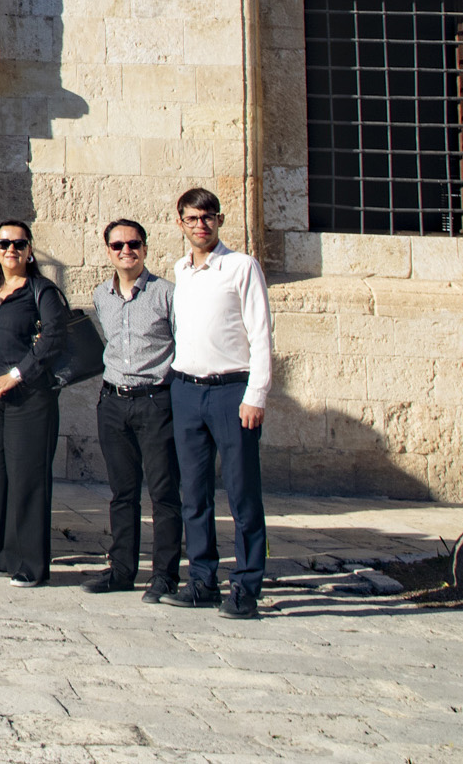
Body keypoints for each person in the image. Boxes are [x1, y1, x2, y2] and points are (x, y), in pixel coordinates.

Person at [164, 188, 275, 620]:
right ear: (180, 223)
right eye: (192, 218)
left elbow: (261, 333)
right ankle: (202, 581)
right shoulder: (181, 271)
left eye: (208, 217)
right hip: (187, 391)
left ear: (219, 221)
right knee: (194, 494)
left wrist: (257, 394)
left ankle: (247, 585)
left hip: (232, 392)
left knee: (243, 494)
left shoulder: (241, 267)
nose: (200, 225)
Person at [0, 219, 69, 586]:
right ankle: (4, 553)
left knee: (27, 479)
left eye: (19, 245)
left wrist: (14, 376)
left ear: (29, 250)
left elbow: (53, 341)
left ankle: (32, 563)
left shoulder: (43, 293)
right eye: (4, 244)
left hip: (28, 399)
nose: (11, 250)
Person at [86, 216, 182, 602]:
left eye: (133, 244)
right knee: (122, 492)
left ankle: (165, 576)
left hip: (155, 402)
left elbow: (183, 345)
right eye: (118, 245)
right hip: (113, 402)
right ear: (108, 251)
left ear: (145, 248)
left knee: (163, 493)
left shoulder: (166, 294)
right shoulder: (100, 295)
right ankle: (122, 569)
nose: (126, 251)